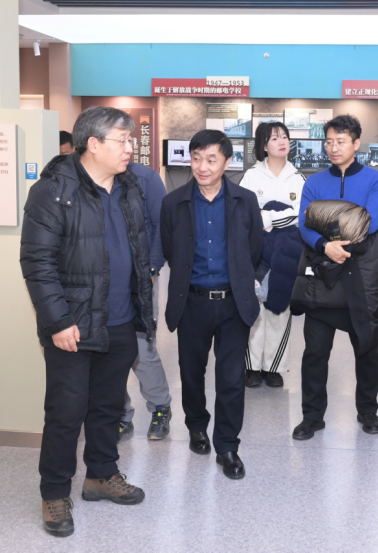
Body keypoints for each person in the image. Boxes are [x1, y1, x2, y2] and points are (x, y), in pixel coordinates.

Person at [20, 107, 155, 538]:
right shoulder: (53, 190)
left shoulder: (130, 187)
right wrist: (58, 321)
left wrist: (142, 301)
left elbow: (138, 248)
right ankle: (54, 493)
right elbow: (37, 262)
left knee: (108, 407)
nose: (130, 148)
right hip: (73, 324)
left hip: (121, 318)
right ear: (93, 144)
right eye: (122, 140)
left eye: (130, 140)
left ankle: (100, 475)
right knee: (66, 412)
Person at [160, 130, 262, 480]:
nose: (202, 167)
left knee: (231, 378)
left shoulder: (245, 200)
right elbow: (171, 251)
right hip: (192, 302)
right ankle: (196, 426)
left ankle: (228, 446)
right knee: (191, 372)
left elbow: (256, 249)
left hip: (233, 304)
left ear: (227, 162)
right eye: (196, 158)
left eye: (211, 159)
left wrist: (246, 280)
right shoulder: (173, 203)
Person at [290, 114, 378, 440]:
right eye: (329, 142)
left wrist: (322, 219)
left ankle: (368, 410)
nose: (333, 147)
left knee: (366, 348)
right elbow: (304, 225)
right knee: (315, 352)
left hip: (361, 277)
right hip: (323, 274)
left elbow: (369, 224)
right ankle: (312, 416)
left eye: (341, 141)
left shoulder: (376, 180)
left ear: (356, 144)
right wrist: (325, 245)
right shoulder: (315, 182)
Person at [239, 122, 306, 388]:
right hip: (257, 250)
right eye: (275, 138)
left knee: (280, 307)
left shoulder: (298, 177)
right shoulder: (251, 176)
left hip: (288, 252)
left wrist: (267, 217)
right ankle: (252, 367)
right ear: (263, 145)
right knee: (255, 306)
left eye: (285, 137)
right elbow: (245, 212)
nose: (282, 141)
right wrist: (274, 217)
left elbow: (302, 215)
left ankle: (274, 367)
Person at [118, 161, 172, 442]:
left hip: (141, 277)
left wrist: (152, 269)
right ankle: (120, 414)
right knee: (107, 351)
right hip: (101, 281)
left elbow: (163, 227)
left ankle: (160, 407)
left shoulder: (146, 179)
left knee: (142, 348)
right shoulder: (88, 178)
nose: (126, 147)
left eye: (127, 141)